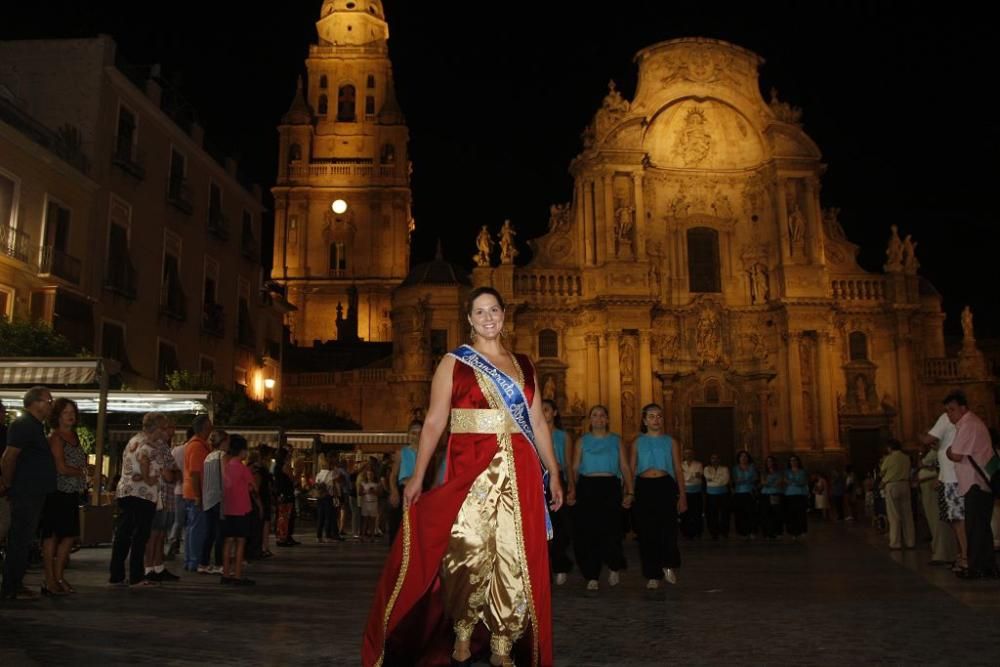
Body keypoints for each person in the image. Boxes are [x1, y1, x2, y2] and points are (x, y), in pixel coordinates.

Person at [363, 286, 563, 667]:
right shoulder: (455, 362)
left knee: (512, 555)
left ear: (504, 315)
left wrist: (553, 471)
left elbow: (536, 421)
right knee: (467, 551)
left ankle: (504, 641)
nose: (489, 317)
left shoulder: (525, 364)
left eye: (494, 310)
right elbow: (435, 421)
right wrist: (418, 476)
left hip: (519, 467)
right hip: (471, 466)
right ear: (469, 319)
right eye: (480, 312)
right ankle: (464, 627)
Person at [1, 387, 55, 600]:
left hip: (33, 491)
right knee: (19, 538)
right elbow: (9, 456)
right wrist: (7, 483)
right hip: (25, 491)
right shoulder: (24, 425)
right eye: (48, 400)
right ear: (36, 403)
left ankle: (15, 583)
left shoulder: (35, 426)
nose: (51, 404)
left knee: (24, 538)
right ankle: (10, 586)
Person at [626, 403, 685, 590]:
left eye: (659, 416)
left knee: (668, 528)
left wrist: (682, 495)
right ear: (644, 420)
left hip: (665, 485)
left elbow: (677, 468)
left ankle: (668, 564)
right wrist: (629, 491)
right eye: (651, 416)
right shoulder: (637, 442)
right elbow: (631, 468)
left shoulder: (671, 442)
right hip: (644, 487)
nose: (656, 420)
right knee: (646, 532)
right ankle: (652, 574)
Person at [570, 405, 628, 593]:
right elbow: (575, 468)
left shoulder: (616, 440)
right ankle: (592, 575)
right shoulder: (582, 441)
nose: (599, 418)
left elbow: (625, 467)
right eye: (594, 415)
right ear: (590, 419)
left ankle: (613, 566)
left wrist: (630, 491)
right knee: (588, 533)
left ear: (607, 419)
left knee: (612, 529)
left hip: (610, 486)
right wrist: (572, 490)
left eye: (602, 415)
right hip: (587, 487)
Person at [109, 412, 169, 587]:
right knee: (140, 535)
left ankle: (117, 574)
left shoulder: (133, 440)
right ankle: (136, 576)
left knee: (123, 533)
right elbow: (146, 462)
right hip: (143, 493)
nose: (165, 432)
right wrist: (149, 478)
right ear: (156, 428)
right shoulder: (150, 445)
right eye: (163, 428)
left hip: (126, 491)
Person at [943, 391, 998, 578]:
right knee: (981, 527)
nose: (949, 414)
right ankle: (987, 566)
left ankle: (976, 568)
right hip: (981, 482)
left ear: (963, 408)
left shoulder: (968, 424)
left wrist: (949, 452)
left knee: (974, 527)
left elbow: (956, 454)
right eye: (947, 411)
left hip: (975, 482)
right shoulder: (972, 423)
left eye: (952, 409)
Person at [40, 398, 88, 595]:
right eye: (66, 412)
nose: (70, 415)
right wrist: (81, 472)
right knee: (52, 536)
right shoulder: (56, 438)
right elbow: (60, 467)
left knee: (68, 537)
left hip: (71, 492)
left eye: (72, 412)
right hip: (56, 492)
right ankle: (50, 579)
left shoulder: (74, 436)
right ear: (57, 416)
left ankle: (59, 576)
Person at [542, 399, 574, 586]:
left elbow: (569, 463)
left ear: (554, 413)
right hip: (537, 479)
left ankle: (560, 566)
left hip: (557, 480)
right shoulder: (530, 433)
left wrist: (571, 486)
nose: (543, 413)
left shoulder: (563, 436)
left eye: (546, 410)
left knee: (559, 525)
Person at [221, 435, 258, 586]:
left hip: (228, 508)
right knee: (241, 542)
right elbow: (254, 487)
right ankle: (237, 575)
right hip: (242, 509)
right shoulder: (243, 468)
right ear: (242, 451)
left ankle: (225, 573)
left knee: (228, 541)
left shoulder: (226, 466)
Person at [182, 415, 213, 572]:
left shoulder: (194, 445)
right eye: (209, 427)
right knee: (197, 527)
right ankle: (194, 560)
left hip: (191, 491)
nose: (211, 430)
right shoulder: (197, 446)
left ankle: (190, 560)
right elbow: (195, 473)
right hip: (195, 492)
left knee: (192, 527)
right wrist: (199, 496)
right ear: (204, 428)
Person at [388, 420, 422, 544]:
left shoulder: (427, 452)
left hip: (421, 493)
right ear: (408, 435)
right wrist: (394, 491)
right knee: (400, 531)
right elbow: (393, 475)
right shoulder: (401, 453)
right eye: (413, 433)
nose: (416, 436)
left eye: (419, 433)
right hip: (403, 491)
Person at [880, 439, 915, 550]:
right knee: (907, 515)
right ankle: (910, 541)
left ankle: (895, 542)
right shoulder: (906, 458)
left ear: (890, 447)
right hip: (905, 485)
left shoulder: (889, 458)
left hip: (892, 485)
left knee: (894, 515)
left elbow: (882, 471)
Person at [704, 453, 731, 539]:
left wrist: (713, 479)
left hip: (723, 494)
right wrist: (719, 478)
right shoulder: (706, 468)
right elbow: (707, 478)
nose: (714, 460)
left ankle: (724, 532)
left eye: (716, 458)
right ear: (710, 460)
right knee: (712, 514)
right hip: (711, 495)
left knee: (725, 514)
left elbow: (725, 481)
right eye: (712, 458)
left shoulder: (725, 468)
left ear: (719, 460)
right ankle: (714, 533)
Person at [731, 450, 757, 539]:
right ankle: (742, 532)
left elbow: (754, 478)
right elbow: (735, 480)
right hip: (738, 493)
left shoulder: (752, 467)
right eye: (741, 456)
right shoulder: (735, 468)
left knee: (751, 513)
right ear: (739, 458)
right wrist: (745, 479)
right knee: (740, 514)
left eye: (745, 456)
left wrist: (743, 479)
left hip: (749, 492)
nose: (743, 458)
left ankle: (752, 531)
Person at [680, 449, 704, 539]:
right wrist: (692, 475)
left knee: (697, 513)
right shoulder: (681, 465)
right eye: (686, 453)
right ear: (684, 455)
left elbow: (699, 476)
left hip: (696, 492)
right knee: (685, 513)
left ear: (693, 454)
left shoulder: (698, 464)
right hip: (685, 492)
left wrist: (686, 475)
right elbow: (681, 477)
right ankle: (686, 532)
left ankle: (698, 532)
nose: (688, 455)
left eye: (690, 453)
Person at [783, 455, 809, 540]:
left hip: (800, 494)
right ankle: (793, 532)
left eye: (795, 460)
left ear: (798, 461)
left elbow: (803, 482)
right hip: (790, 494)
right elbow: (785, 481)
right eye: (791, 460)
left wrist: (792, 482)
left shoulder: (802, 471)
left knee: (801, 513)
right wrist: (795, 482)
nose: (793, 462)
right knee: (791, 514)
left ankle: (802, 531)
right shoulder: (787, 472)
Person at [758, 456, 784, 539]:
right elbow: (763, 482)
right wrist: (771, 482)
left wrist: (768, 482)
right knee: (766, 514)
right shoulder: (764, 472)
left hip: (775, 494)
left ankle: (777, 532)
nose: (769, 463)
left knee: (776, 513)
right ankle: (768, 533)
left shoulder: (778, 472)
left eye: (771, 461)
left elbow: (779, 482)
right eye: (768, 461)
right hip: (765, 495)